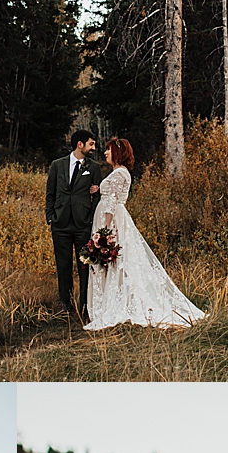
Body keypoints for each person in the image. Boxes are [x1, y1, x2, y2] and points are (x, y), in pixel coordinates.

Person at [85, 137, 206, 331]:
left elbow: (111, 203)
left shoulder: (118, 174)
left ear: (117, 152)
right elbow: (112, 194)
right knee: (120, 262)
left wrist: (104, 231)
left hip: (112, 220)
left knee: (116, 260)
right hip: (117, 218)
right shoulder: (120, 173)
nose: (105, 153)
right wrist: (100, 189)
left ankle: (116, 304)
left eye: (108, 150)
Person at [46, 127, 104, 320]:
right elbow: (50, 193)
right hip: (60, 224)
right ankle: (65, 305)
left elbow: (98, 196)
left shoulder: (94, 167)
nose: (94, 148)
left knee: (85, 266)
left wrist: (91, 218)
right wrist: (50, 217)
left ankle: (85, 307)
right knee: (62, 266)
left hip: (82, 224)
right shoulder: (57, 165)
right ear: (80, 144)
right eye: (91, 144)